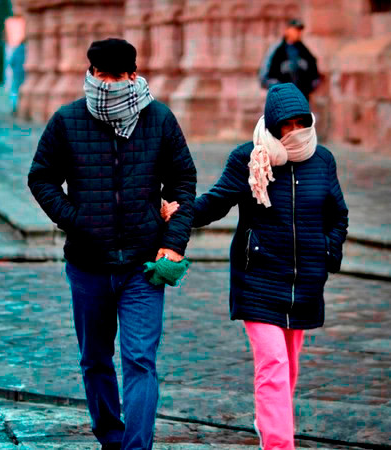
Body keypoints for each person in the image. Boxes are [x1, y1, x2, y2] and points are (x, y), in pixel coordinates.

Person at [28, 38, 197, 449]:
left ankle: (136, 447)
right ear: (90, 73)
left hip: (143, 265)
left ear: (133, 76)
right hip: (88, 264)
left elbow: (183, 182)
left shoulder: (159, 119)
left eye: (115, 76)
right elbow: (42, 177)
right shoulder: (67, 120)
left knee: (140, 360)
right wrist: (76, 220)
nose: (107, 84)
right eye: (99, 75)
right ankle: (110, 435)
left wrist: (173, 241)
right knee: (96, 361)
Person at [161, 83, 349, 450]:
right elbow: (217, 201)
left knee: (288, 368)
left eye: (301, 122)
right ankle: (279, 444)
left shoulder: (322, 159)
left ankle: (268, 420)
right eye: (287, 124)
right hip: (259, 277)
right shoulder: (249, 157)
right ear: (273, 124)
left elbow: (337, 215)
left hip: (305, 281)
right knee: (274, 363)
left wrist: (328, 253)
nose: (294, 131)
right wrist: (182, 212)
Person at [259, 19, 321, 100]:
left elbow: (315, 76)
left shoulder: (305, 52)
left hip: (301, 100)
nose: (298, 32)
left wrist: (306, 89)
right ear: (287, 30)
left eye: (299, 30)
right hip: (282, 101)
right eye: (295, 29)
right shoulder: (276, 51)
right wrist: (281, 89)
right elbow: (264, 77)